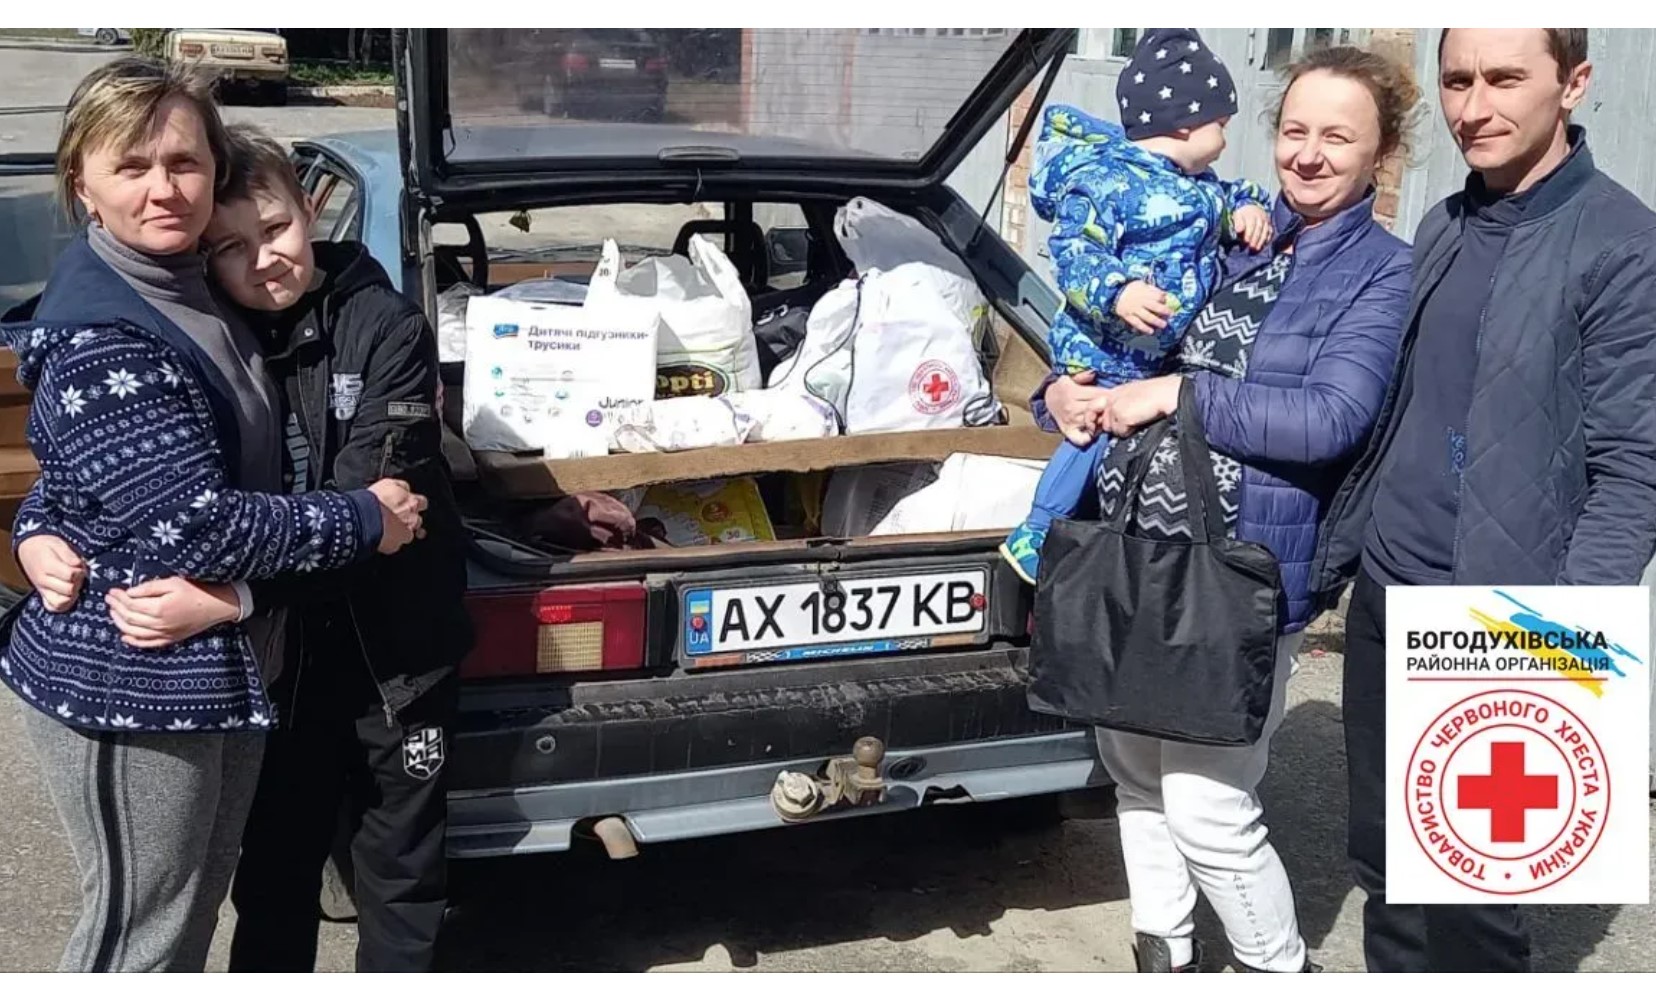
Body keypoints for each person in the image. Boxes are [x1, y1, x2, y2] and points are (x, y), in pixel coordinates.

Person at [0, 57, 425, 972]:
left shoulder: (187, 278)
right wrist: (362, 518)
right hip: (131, 679)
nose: (165, 189)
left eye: (184, 162)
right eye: (133, 165)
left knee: (186, 918)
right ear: (83, 181)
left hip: (215, 674)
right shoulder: (104, 329)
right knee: (137, 937)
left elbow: (105, 471)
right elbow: (191, 523)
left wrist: (35, 517)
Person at [1036, 46, 1418, 972]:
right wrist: (1062, 387)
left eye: (1339, 136)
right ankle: (1162, 952)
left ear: (1381, 155)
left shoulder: (1382, 271)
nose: (1311, 155)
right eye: (1296, 130)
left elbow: (1332, 417)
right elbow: (1113, 327)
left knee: (1209, 801)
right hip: (1131, 539)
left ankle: (1275, 963)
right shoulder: (1224, 222)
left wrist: (1176, 396)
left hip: (1241, 566)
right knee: (1132, 773)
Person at [1322, 28, 1656, 973]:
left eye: (1506, 78)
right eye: (1458, 80)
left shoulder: (1627, 247)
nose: (1475, 107)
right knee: (1387, 864)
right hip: (1392, 592)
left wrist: (1568, 640)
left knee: (1475, 899)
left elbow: (1636, 469)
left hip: (1508, 616)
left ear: (1576, 82)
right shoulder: (1445, 222)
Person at [999, 27, 1273, 585]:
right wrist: (1117, 292)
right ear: (1185, 123)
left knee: (1115, 442)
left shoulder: (1199, 186)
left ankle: (1096, 537)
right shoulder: (1105, 182)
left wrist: (1247, 210)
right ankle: (1037, 529)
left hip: (1156, 357)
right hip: (1104, 346)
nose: (1224, 139)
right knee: (1090, 433)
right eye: (1222, 125)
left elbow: (1231, 199)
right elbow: (1073, 252)